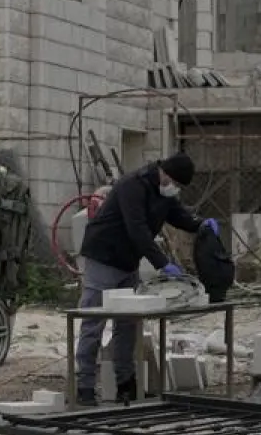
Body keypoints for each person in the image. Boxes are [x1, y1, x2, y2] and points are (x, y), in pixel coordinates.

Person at [74, 153, 215, 406]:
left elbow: (179, 217)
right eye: (176, 184)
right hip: (104, 257)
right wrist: (163, 264)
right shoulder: (132, 186)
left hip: (127, 262)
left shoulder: (165, 194)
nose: (176, 190)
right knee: (93, 321)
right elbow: (137, 229)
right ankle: (84, 386)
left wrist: (201, 225)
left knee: (128, 324)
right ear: (166, 174)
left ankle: (125, 384)